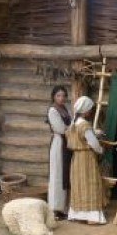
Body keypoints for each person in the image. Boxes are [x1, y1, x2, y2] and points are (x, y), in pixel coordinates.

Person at [66, 96, 107, 225]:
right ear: (85, 110)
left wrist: (94, 132)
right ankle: (92, 217)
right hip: (87, 158)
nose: (90, 111)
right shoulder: (84, 125)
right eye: (90, 109)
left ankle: (78, 214)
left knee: (79, 185)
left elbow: (82, 136)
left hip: (76, 159)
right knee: (90, 184)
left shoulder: (73, 124)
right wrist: (101, 150)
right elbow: (93, 143)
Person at [46, 85, 72, 220]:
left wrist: (71, 128)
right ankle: (54, 209)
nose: (61, 98)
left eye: (63, 95)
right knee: (57, 175)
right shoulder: (52, 110)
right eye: (58, 95)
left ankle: (61, 209)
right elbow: (60, 129)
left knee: (64, 176)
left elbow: (70, 125)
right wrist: (73, 129)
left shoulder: (64, 109)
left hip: (65, 144)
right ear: (53, 97)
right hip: (58, 144)